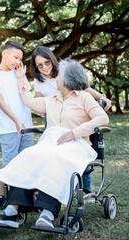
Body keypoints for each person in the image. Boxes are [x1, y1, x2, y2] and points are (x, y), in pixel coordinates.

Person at [0, 58, 109, 229]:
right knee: (29, 155)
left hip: (77, 144)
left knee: (55, 158)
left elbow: (102, 118)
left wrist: (73, 133)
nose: (55, 78)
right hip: (51, 142)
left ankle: (47, 213)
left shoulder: (84, 98)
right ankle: (12, 212)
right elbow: (29, 102)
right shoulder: (52, 99)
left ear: (68, 79)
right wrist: (21, 78)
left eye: (59, 75)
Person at [31, 46, 112, 196]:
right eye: (39, 65)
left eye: (46, 63)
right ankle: (49, 186)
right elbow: (39, 104)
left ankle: (84, 188)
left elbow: (84, 88)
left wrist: (100, 96)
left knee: (79, 147)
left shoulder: (64, 71)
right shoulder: (39, 81)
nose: (44, 67)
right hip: (54, 120)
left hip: (75, 117)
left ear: (52, 60)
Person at [0, 40, 34, 210]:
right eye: (15, 57)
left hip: (27, 127)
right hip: (9, 129)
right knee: (9, 165)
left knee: (26, 163)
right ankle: (2, 196)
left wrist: (21, 76)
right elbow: (0, 102)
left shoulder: (18, 74)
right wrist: (15, 120)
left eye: (20, 59)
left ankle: (24, 200)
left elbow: (27, 96)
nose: (17, 62)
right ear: (4, 53)